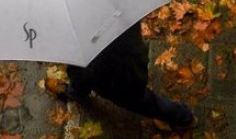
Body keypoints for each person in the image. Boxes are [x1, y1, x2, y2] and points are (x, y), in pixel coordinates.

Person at [54, 22, 197, 132]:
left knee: (138, 99)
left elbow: (86, 71)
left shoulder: (79, 37)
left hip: (116, 73)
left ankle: (182, 117)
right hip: (129, 49)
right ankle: (77, 91)